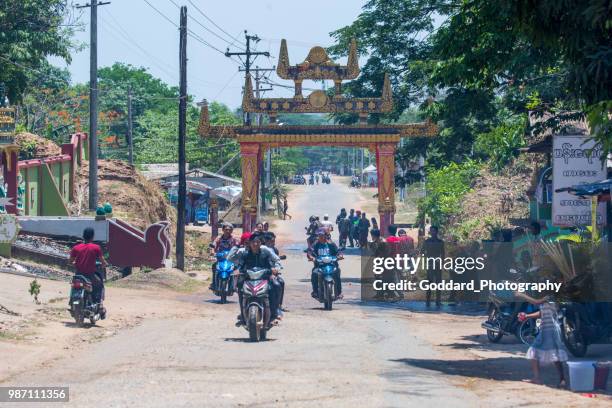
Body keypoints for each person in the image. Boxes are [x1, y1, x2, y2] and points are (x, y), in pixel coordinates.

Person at [228, 233, 283, 327]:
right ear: (249, 243)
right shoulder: (244, 253)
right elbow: (232, 259)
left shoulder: (266, 252)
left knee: (276, 285)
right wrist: (236, 246)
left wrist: (275, 269)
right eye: (253, 242)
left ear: (260, 243)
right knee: (240, 287)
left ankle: (274, 313)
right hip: (248, 279)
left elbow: (276, 261)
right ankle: (243, 314)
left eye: (257, 242)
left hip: (265, 278)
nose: (255, 244)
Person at [518, 296, 568, 387]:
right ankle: (557, 379)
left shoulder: (550, 295)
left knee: (549, 353)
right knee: (544, 352)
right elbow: (542, 313)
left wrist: (521, 295)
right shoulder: (547, 297)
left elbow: (536, 302)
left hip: (551, 330)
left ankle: (561, 379)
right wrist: (527, 316)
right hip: (546, 329)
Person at [69, 227, 108, 318]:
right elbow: (103, 261)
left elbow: (70, 262)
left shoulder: (76, 248)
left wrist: (75, 263)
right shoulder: (96, 248)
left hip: (78, 276)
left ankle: (71, 303)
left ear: (83, 236)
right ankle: (100, 306)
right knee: (100, 286)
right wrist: (104, 264)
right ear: (92, 237)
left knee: (73, 286)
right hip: (90, 275)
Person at [307, 229, 343, 299]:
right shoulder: (316, 244)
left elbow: (338, 252)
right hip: (319, 266)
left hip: (332, 265)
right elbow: (310, 251)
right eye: (319, 236)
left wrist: (340, 256)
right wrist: (311, 257)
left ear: (326, 236)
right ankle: (315, 291)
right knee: (314, 273)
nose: (320, 237)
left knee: (337, 272)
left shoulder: (331, 244)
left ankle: (339, 292)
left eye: (322, 236)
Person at [208, 223, 238, 291]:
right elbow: (214, 245)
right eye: (226, 229)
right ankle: (214, 283)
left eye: (230, 230)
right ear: (223, 230)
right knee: (214, 266)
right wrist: (212, 251)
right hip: (220, 258)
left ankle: (235, 285)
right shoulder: (219, 238)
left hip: (231, 258)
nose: (228, 231)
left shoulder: (233, 238)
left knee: (236, 268)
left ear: (231, 230)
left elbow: (237, 246)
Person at [423, 225, 444, 307]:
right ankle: (428, 301)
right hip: (430, 263)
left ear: (436, 232)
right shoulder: (427, 241)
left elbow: (443, 253)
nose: (432, 232)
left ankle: (438, 301)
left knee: (438, 283)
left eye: (434, 231)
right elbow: (422, 251)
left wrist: (442, 263)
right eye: (431, 231)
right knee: (429, 282)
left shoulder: (440, 242)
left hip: (437, 264)